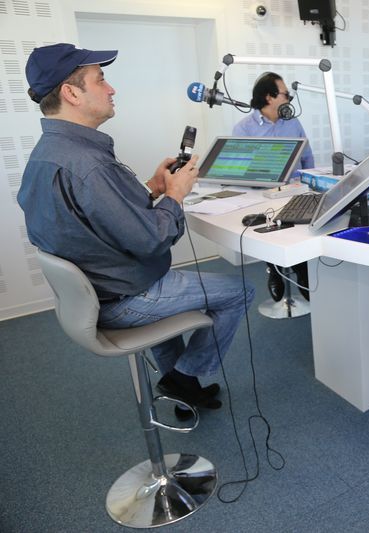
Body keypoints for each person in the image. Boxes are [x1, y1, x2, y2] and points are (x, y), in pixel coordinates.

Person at [18, 43, 255, 416]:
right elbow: (152, 240)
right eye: (101, 80)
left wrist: (152, 189)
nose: (111, 89)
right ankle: (185, 378)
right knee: (241, 290)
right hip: (127, 297)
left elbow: (92, 218)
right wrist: (175, 196)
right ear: (71, 93)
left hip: (95, 292)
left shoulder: (48, 154)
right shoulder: (89, 164)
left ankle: (184, 390)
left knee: (179, 292)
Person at [233, 72, 314, 301]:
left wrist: (311, 184)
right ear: (269, 97)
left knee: (300, 237)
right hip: (264, 198)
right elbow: (241, 172)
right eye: (285, 94)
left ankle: (301, 272)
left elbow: (307, 156)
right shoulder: (243, 129)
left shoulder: (293, 122)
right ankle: (274, 271)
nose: (289, 99)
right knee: (273, 238)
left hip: (296, 192)